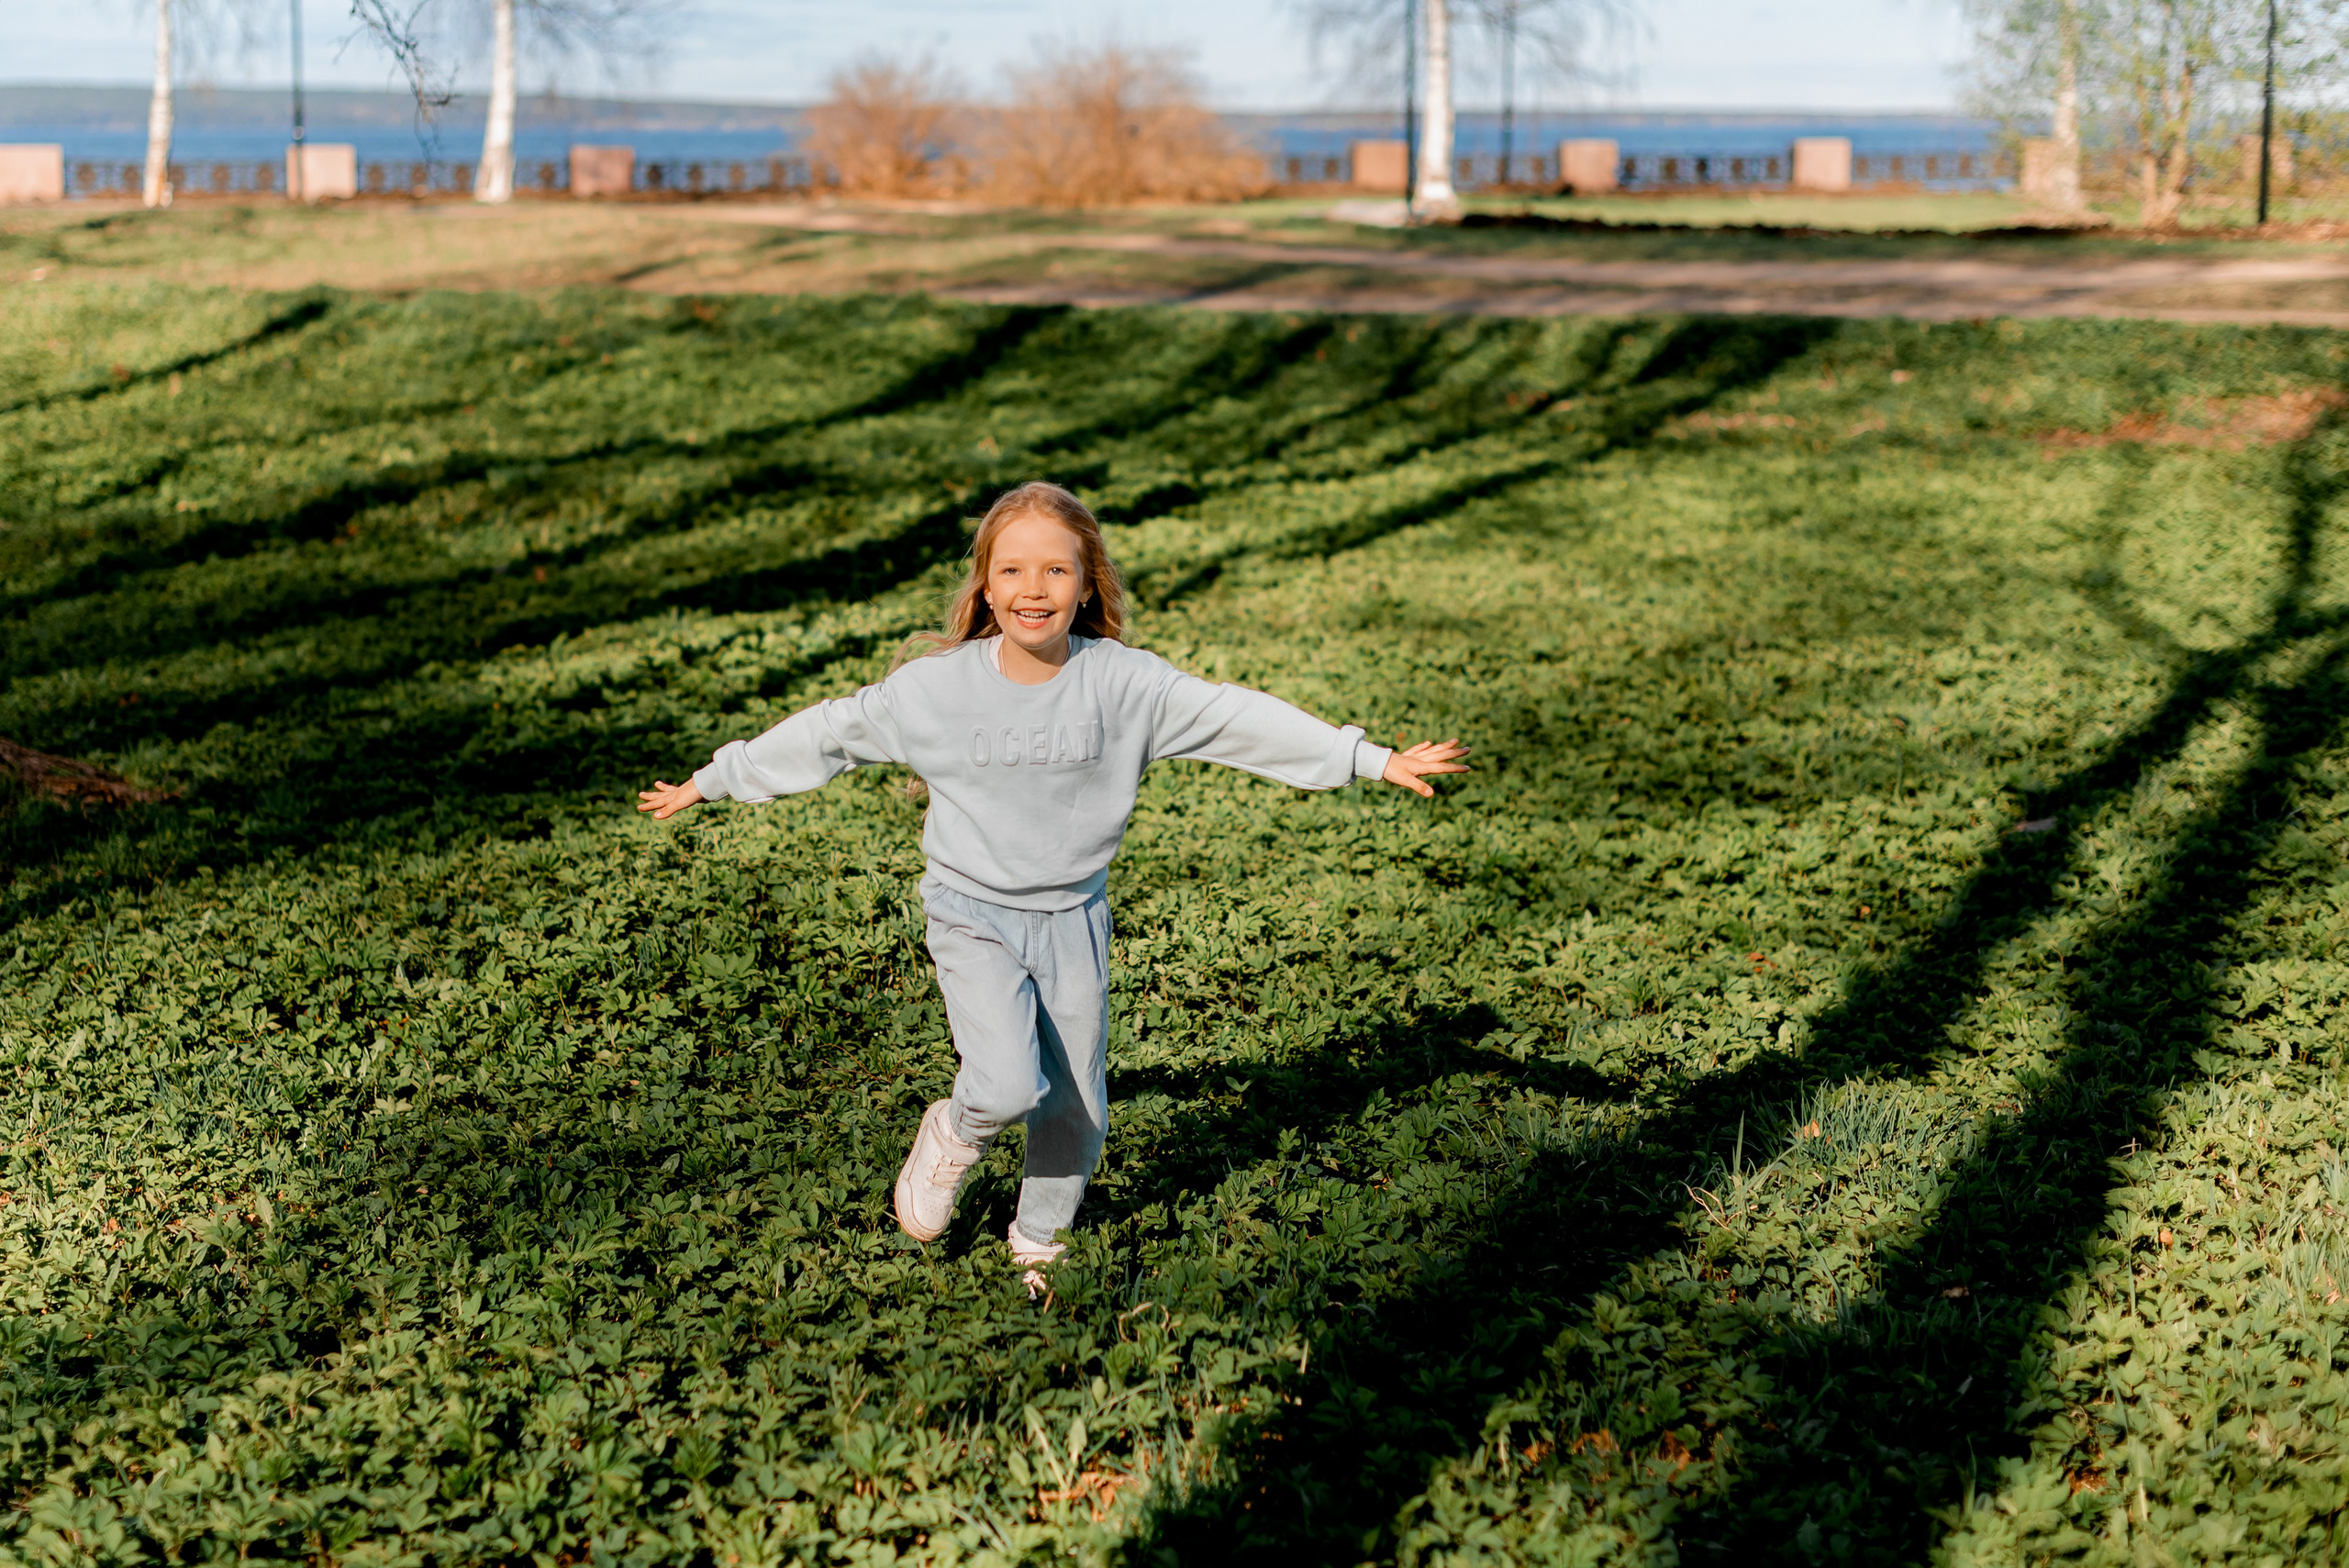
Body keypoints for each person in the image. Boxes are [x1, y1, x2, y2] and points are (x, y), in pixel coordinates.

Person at [636, 481, 1469, 1294]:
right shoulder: (938, 690)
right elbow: (831, 731)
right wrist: (716, 780)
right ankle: (954, 1133)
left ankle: (1039, 1235)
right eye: (1013, 571)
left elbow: (1236, 717)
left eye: (1056, 572)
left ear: (1086, 586)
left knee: (1075, 1102)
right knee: (1003, 1082)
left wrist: (1367, 756)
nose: (1034, 588)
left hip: (1073, 916)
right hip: (972, 911)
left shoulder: (1124, 684)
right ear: (986, 588)